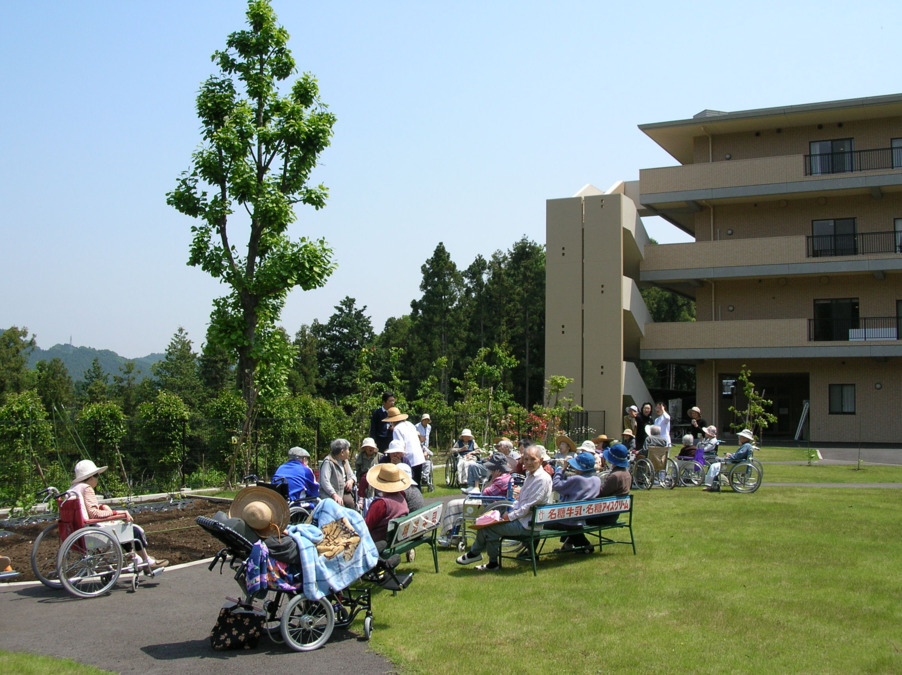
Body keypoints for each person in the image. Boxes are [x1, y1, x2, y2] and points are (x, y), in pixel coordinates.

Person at [456, 445, 552, 571]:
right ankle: (488, 561)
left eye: (532, 459)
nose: (528, 463)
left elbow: (530, 506)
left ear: (540, 460)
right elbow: (521, 502)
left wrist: (510, 516)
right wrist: (508, 512)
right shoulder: (530, 475)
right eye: (526, 459)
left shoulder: (541, 479)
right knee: (486, 523)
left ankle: (479, 556)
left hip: (528, 525)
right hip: (523, 520)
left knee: (488, 528)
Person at [69, 459, 167, 573]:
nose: (97, 479)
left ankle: (136, 558)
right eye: (96, 476)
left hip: (77, 531)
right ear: (91, 477)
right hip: (92, 532)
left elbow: (87, 508)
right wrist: (118, 513)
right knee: (132, 529)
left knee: (120, 528)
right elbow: (94, 514)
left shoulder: (74, 489)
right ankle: (147, 561)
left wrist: (101, 507)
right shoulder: (87, 488)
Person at [558, 444, 632, 552]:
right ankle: (569, 544)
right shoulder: (626, 474)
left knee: (571, 517)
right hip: (613, 511)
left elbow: (600, 493)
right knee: (573, 515)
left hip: (604, 515)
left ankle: (584, 545)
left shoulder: (615, 476)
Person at [439, 452, 511, 545]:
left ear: (496, 469)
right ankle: (452, 534)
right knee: (456, 505)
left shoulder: (499, 480)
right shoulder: (506, 477)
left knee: (453, 504)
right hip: (491, 504)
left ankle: (450, 535)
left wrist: (492, 480)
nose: (489, 469)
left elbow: (484, 493)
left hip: (488, 507)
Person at [552, 451, 601, 553]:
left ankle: (585, 545)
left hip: (569, 518)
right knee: (571, 521)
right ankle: (569, 545)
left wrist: (562, 468)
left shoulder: (576, 479)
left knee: (537, 523)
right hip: (584, 516)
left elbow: (556, 485)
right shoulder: (597, 480)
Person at [363, 463, 411, 546]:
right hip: (394, 539)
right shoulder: (401, 496)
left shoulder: (381, 504)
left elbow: (366, 526)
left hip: (377, 541)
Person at [384, 406, 426, 488]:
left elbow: (399, 446)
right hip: (419, 457)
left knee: (408, 484)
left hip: (409, 459)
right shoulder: (410, 424)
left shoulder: (397, 429)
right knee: (417, 483)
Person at [319, 439, 357, 509]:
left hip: (344, 492)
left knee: (351, 504)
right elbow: (324, 482)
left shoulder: (345, 461)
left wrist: (351, 481)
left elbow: (353, 475)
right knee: (339, 507)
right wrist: (334, 494)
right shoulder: (328, 462)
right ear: (342, 452)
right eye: (348, 449)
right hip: (330, 494)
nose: (349, 452)